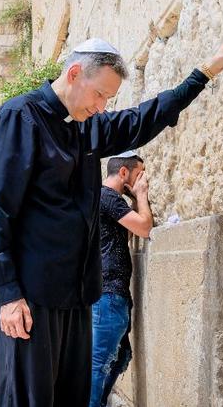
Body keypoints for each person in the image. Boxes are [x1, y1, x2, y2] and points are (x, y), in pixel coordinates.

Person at [0, 32, 223, 406]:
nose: (102, 106)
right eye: (99, 94)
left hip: (77, 296)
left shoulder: (86, 127)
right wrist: (8, 294)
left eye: (108, 99)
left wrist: (204, 73)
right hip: (32, 298)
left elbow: (144, 118)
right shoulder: (20, 118)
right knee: (30, 399)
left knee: (70, 397)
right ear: (74, 74)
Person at [90, 152, 153, 407]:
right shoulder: (109, 197)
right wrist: (141, 195)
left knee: (120, 357)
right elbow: (144, 227)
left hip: (111, 294)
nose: (143, 180)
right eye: (139, 174)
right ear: (124, 173)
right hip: (109, 295)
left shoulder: (105, 199)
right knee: (99, 365)